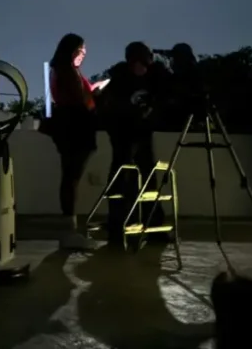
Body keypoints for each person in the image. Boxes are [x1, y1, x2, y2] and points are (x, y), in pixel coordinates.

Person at [99, 41, 168, 246]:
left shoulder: (154, 76)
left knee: (148, 180)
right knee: (121, 181)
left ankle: (154, 228)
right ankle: (118, 229)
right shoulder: (119, 77)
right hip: (122, 134)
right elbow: (109, 107)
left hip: (143, 134)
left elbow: (165, 95)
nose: (141, 67)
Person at [46, 33, 103, 250]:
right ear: (73, 50)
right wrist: (95, 95)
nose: (84, 53)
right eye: (82, 49)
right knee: (72, 178)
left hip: (68, 126)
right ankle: (69, 232)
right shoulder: (67, 71)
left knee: (70, 177)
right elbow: (80, 99)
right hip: (75, 127)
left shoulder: (61, 69)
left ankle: (69, 229)